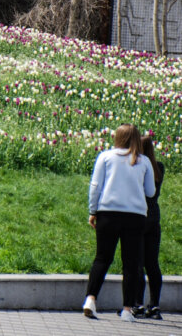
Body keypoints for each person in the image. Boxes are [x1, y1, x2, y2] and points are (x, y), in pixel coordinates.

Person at [82, 123, 156, 322]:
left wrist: (92, 210)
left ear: (117, 137)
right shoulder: (144, 161)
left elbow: (95, 186)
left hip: (107, 213)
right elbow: (150, 192)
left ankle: (90, 299)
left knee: (102, 258)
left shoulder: (105, 157)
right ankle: (127, 309)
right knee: (131, 263)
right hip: (135, 216)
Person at [136, 135, 165, 319]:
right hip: (154, 218)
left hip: (138, 217)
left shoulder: (138, 168)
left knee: (136, 264)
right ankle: (154, 305)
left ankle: (137, 303)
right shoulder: (159, 168)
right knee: (152, 264)